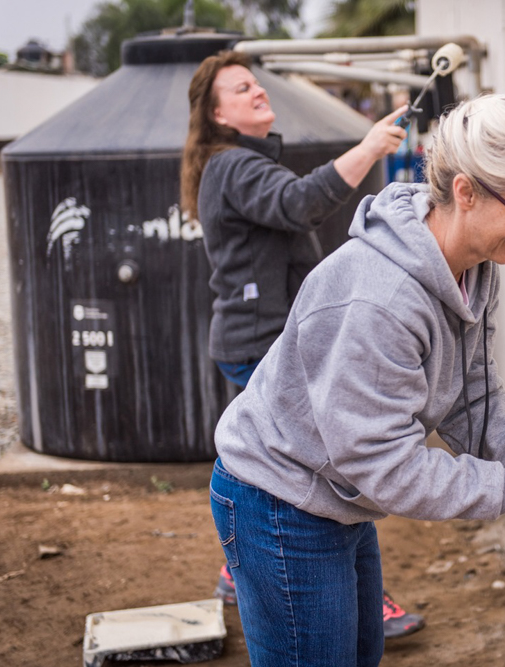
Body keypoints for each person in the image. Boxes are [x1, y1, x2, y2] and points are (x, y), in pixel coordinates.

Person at [208, 92, 505, 667]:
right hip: (279, 497)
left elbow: (470, 396)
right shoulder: (379, 299)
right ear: (465, 192)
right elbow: (386, 466)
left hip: (337, 489)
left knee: (358, 654)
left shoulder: (473, 267)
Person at [180, 50, 424, 638]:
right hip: (264, 343)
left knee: (274, 462)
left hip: (255, 339)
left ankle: (236, 571)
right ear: (217, 114)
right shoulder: (235, 165)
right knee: (320, 464)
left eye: (255, 83)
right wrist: (368, 148)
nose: (256, 92)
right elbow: (299, 203)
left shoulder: (237, 163)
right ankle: (336, 588)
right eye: (240, 89)